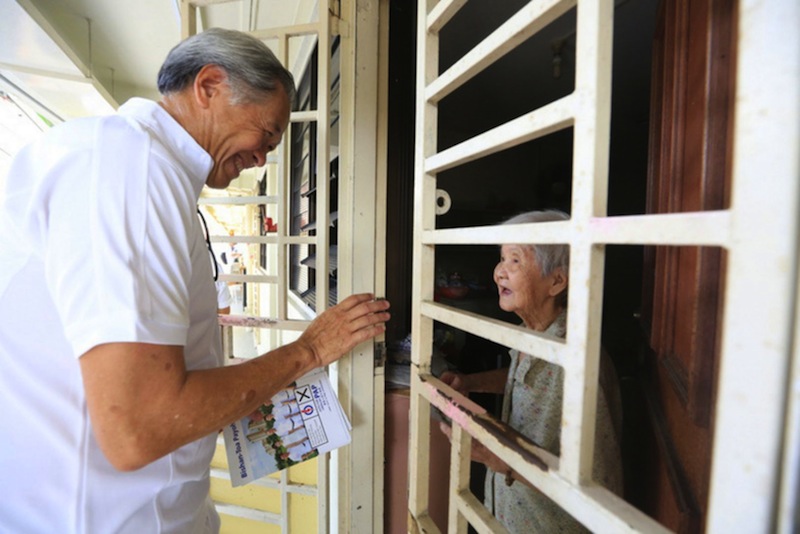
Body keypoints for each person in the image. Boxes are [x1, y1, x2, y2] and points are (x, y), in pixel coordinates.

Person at [0, 28, 390, 534]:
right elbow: (140, 426)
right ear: (208, 85)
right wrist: (309, 352)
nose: (264, 158)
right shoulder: (130, 169)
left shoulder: (141, 170)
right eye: (266, 135)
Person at [439, 210, 622, 533]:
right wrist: (472, 382)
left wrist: (494, 456)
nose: (499, 273)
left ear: (557, 281)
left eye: (515, 261)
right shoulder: (534, 335)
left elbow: (598, 484)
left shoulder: (578, 360)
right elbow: (525, 377)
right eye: (501, 258)